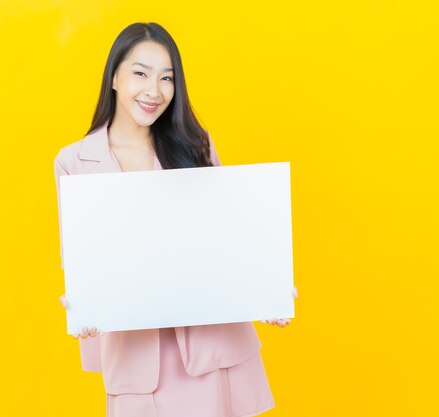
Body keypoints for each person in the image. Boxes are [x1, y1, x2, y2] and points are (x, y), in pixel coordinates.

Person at [54, 22, 298, 417]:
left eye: (167, 78)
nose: (154, 90)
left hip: (212, 353)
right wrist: (82, 300)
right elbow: (80, 258)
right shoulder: (73, 162)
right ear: (114, 76)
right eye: (140, 73)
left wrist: (265, 289)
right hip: (137, 364)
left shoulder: (194, 144)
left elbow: (227, 240)